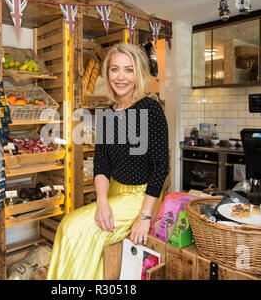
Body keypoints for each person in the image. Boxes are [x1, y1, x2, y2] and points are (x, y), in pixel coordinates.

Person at [47, 43, 169, 280]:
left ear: (138, 74)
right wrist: (101, 202)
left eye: (128, 70)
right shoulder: (106, 114)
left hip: (140, 198)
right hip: (113, 193)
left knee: (72, 228)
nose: (121, 77)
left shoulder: (151, 109)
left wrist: (144, 217)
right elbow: (101, 164)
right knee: (73, 229)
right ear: (108, 73)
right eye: (115, 69)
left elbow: (160, 168)